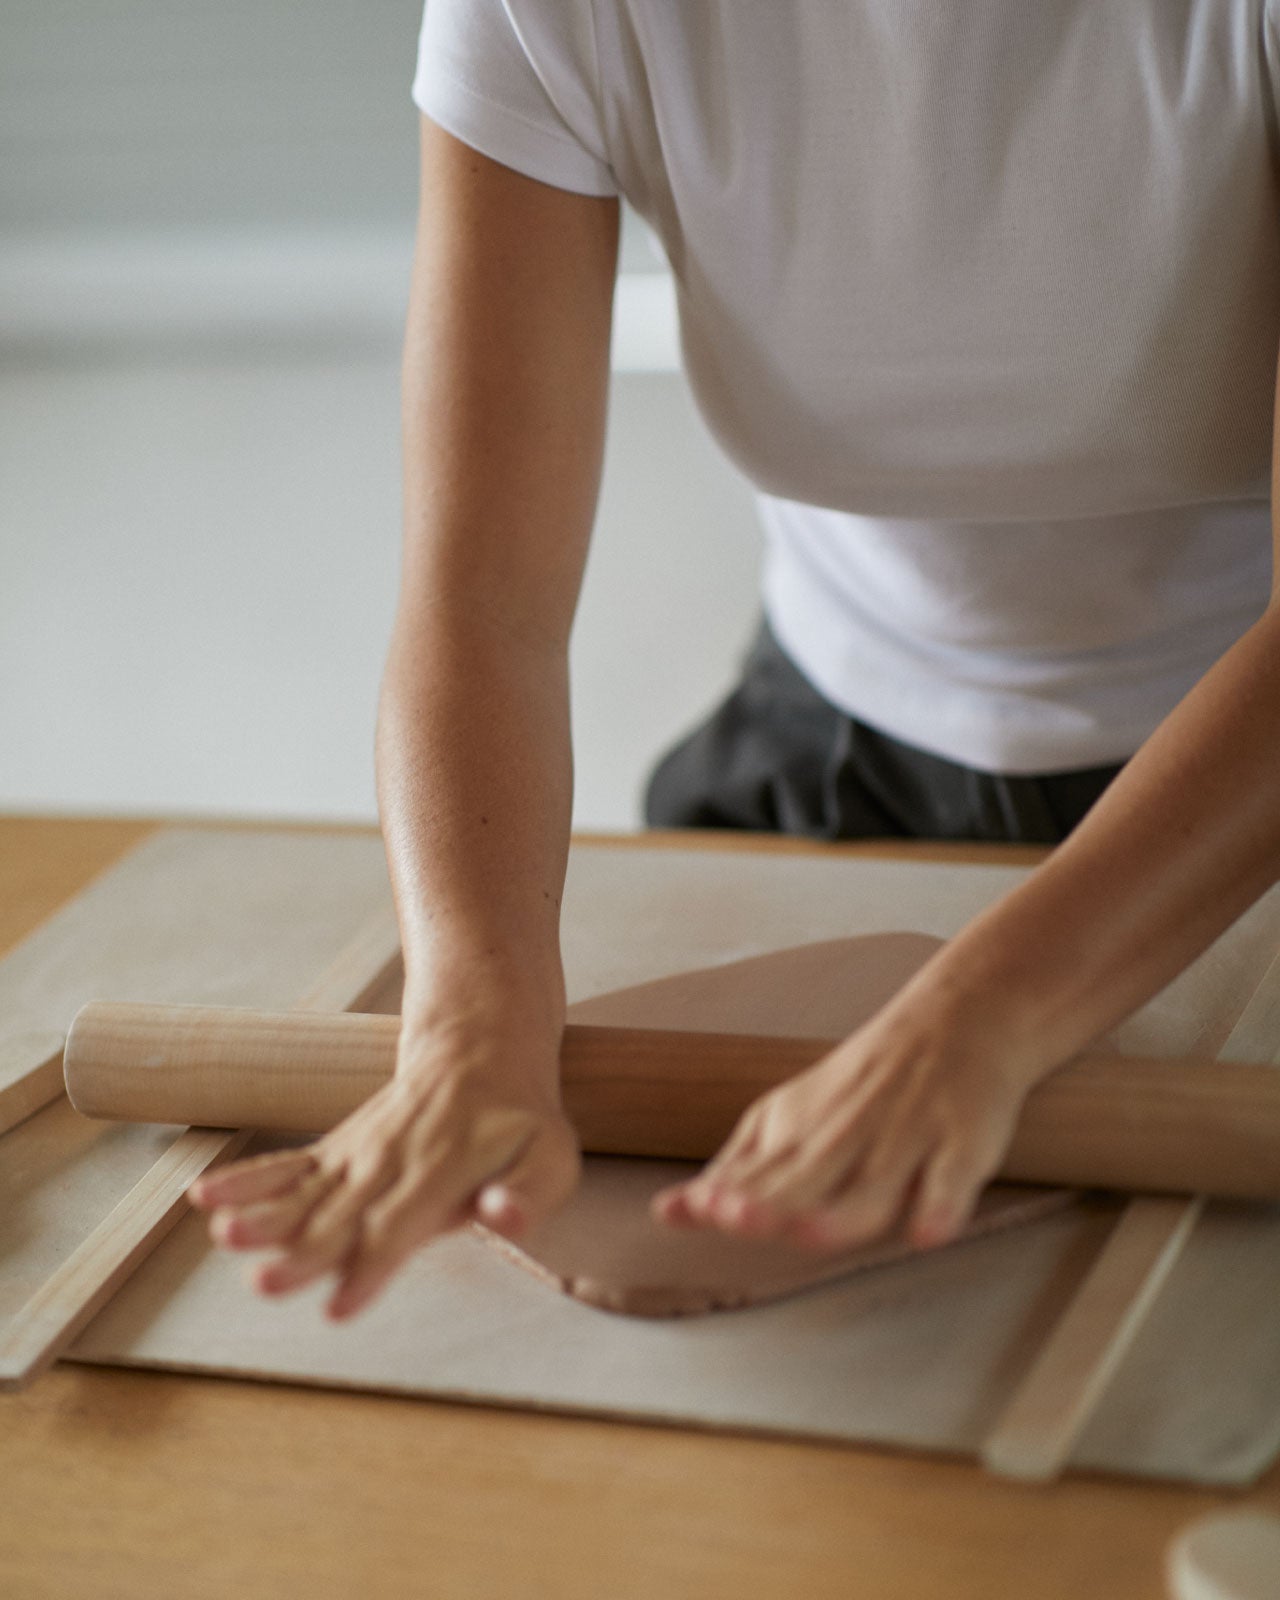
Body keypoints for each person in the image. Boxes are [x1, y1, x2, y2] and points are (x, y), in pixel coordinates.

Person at [188, 1, 1280, 1320]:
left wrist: (980, 1020)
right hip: (826, 735)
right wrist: (470, 1025)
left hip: (1231, 776)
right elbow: (484, 602)